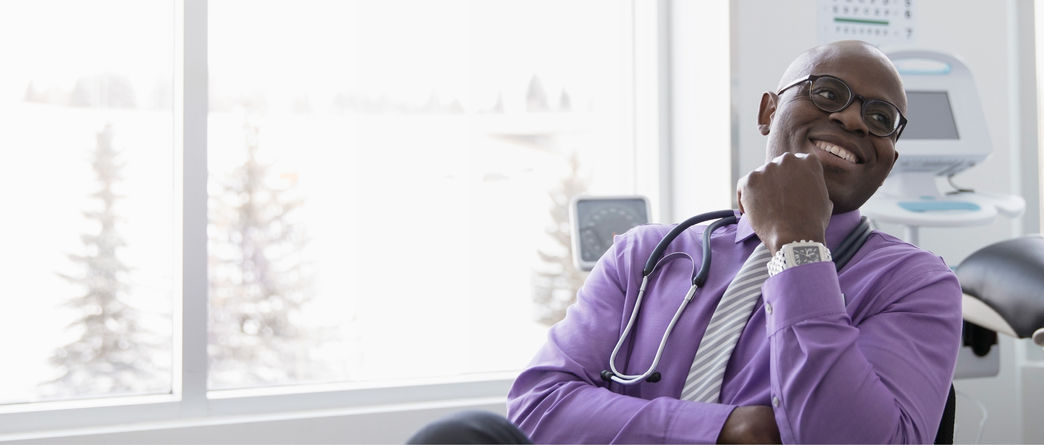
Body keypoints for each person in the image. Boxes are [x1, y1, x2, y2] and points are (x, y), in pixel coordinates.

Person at [410, 40, 961, 444]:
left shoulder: (914, 284)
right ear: (770, 110)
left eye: (881, 117)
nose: (851, 118)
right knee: (460, 436)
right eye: (828, 92)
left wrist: (797, 245)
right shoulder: (645, 256)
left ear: (889, 156)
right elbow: (539, 406)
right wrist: (724, 430)